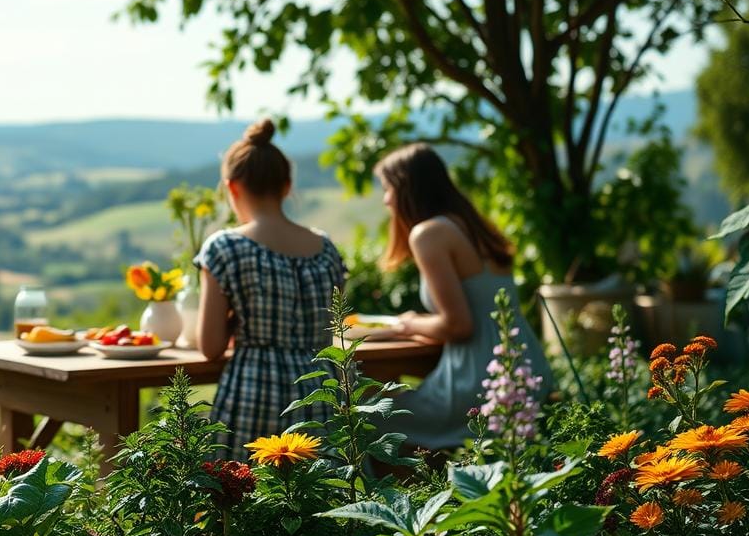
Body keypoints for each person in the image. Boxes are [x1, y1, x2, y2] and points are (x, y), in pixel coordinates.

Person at [374, 143, 552, 450]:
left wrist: (411, 323)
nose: (385, 199)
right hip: (529, 370)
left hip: (482, 383)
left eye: (387, 188)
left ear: (406, 188)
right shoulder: (474, 226)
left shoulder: (428, 234)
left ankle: (388, 497)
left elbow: (459, 325)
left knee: (364, 419)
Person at [195, 119, 347, 460]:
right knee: (321, 495)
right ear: (286, 186)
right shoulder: (326, 249)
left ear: (232, 188)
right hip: (319, 388)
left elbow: (210, 347)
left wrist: (238, 318)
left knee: (242, 499)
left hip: (253, 389)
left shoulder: (225, 247)